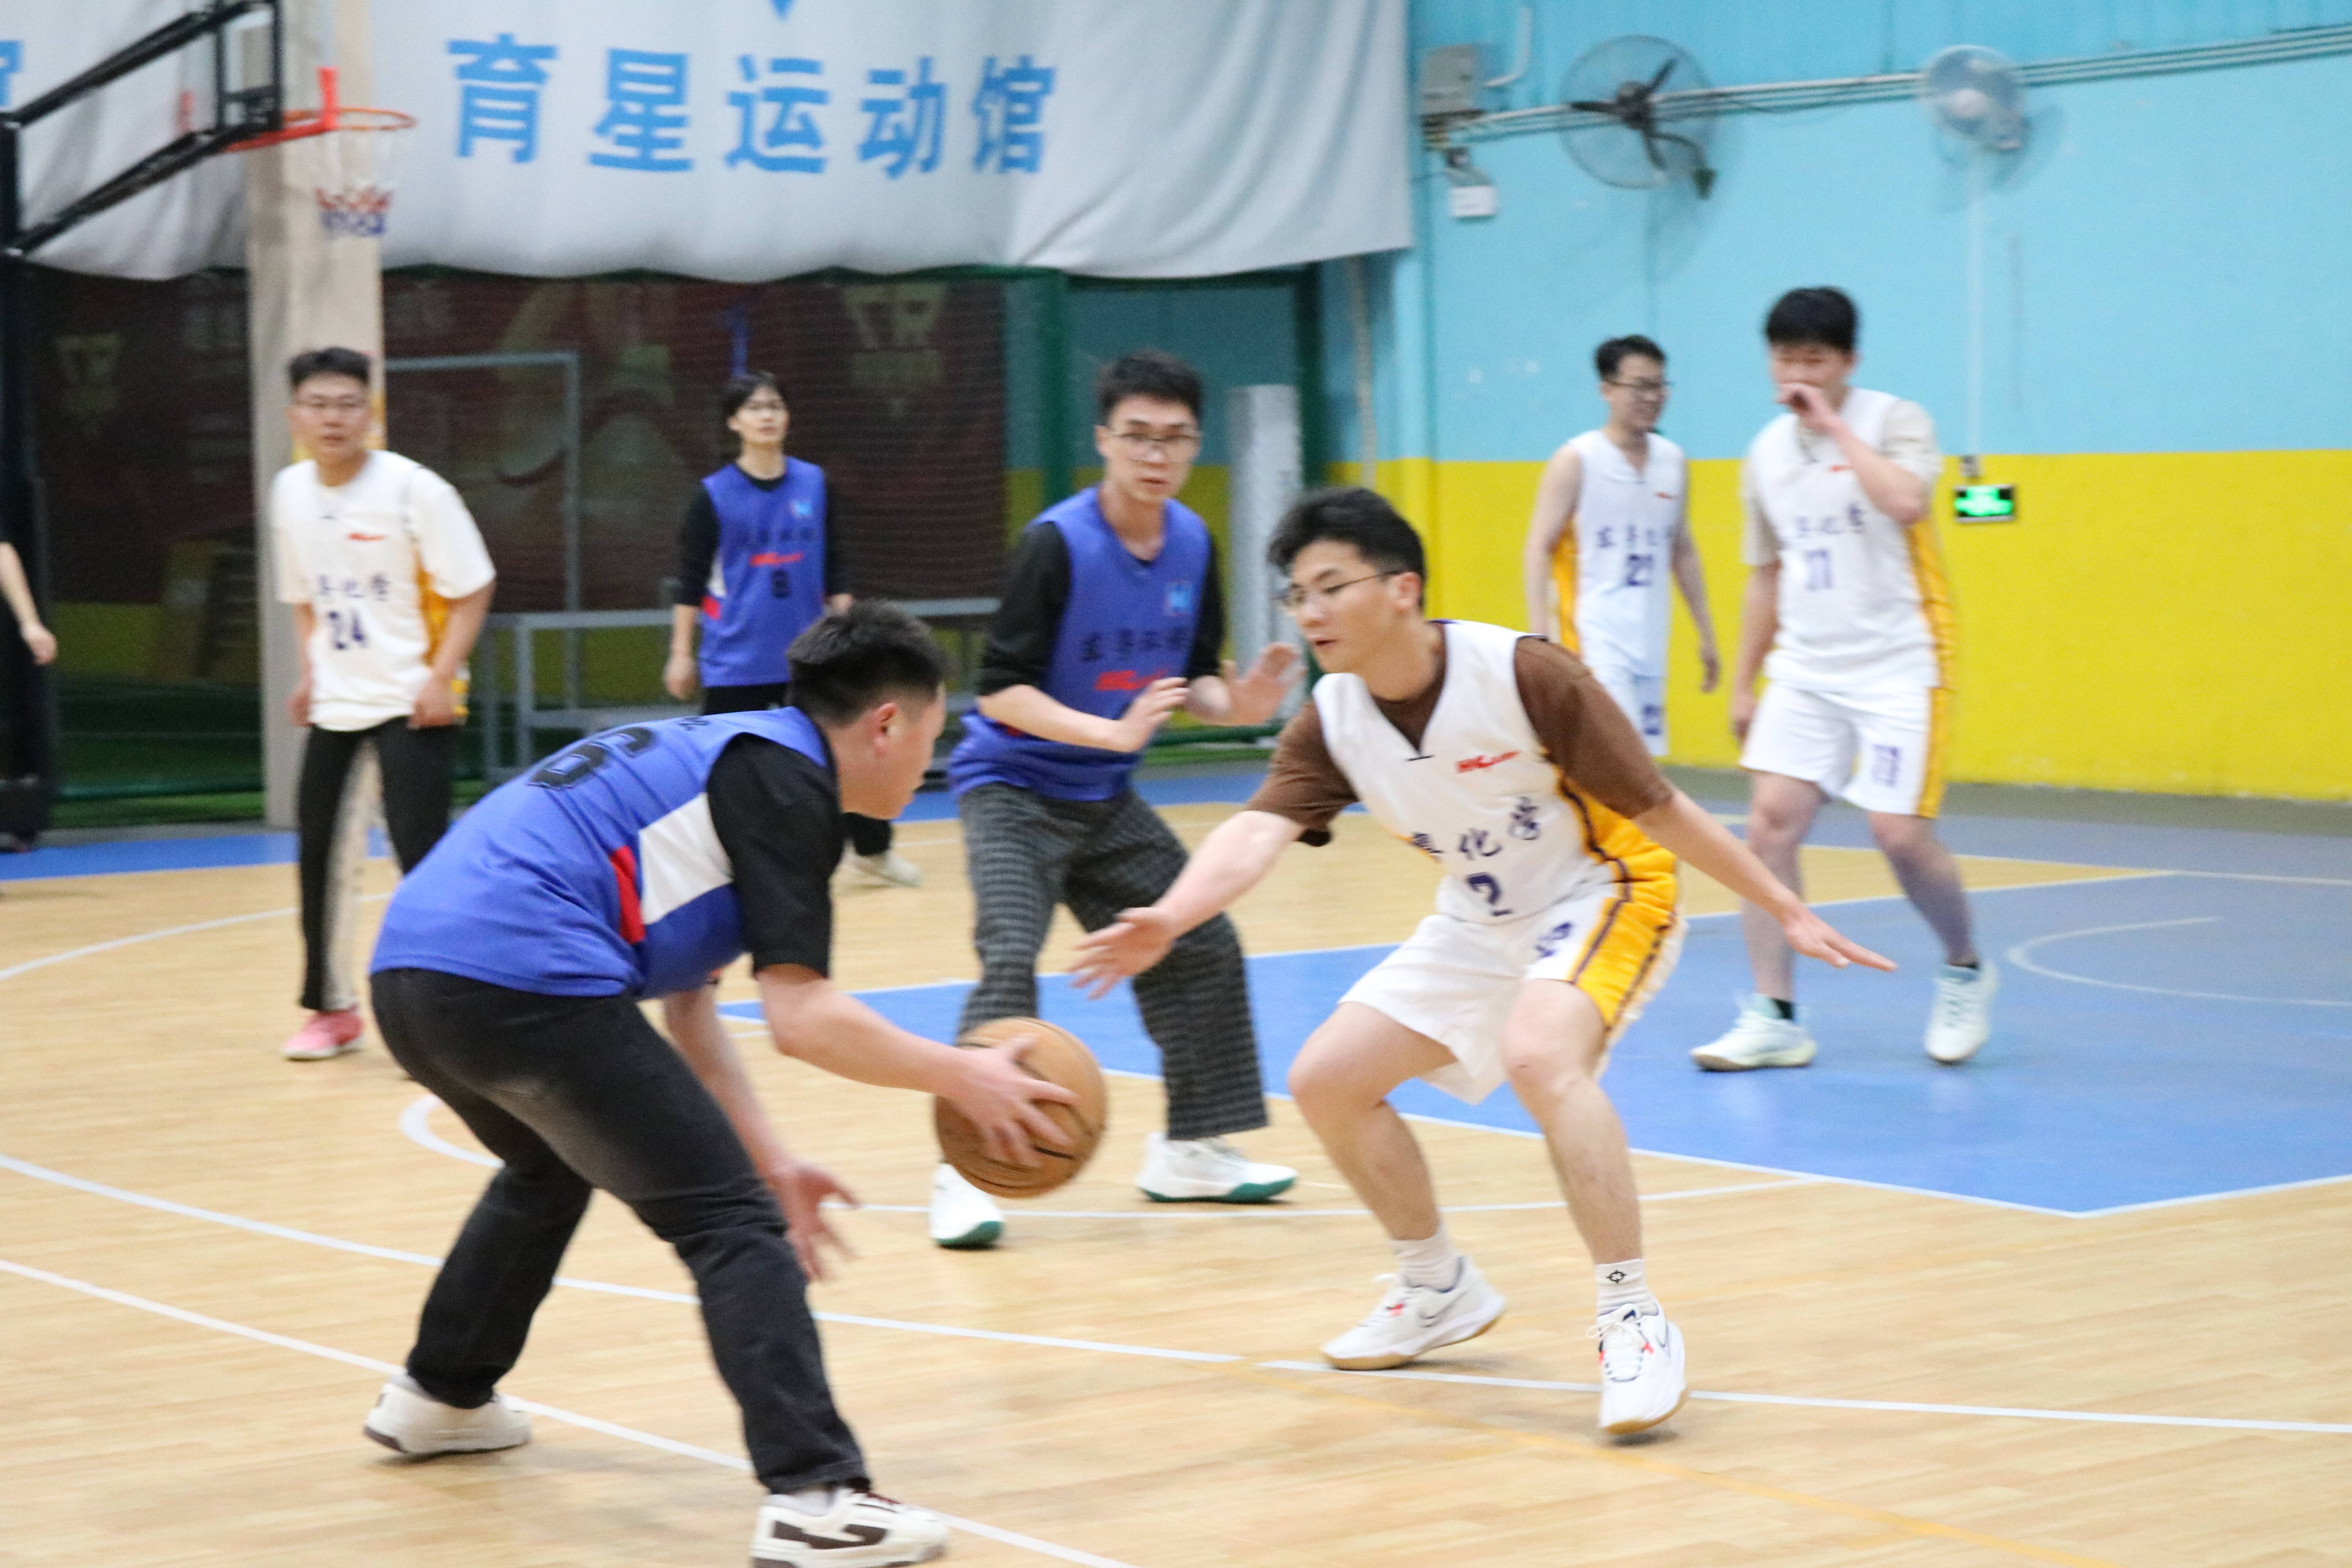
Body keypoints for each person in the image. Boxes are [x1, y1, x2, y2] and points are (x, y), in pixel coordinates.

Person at [1072, 488, 1891, 1436]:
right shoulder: (1333, 718)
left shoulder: (1525, 675)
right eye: (1298, 594)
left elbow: (1661, 808)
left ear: (1402, 588)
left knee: (1541, 1055)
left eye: (1331, 586)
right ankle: (1437, 1287)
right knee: (1328, 1080)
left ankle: (1632, 1316)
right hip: (1479, 915)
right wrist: (1172, 915)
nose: (1311, 611)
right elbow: (1257, 832)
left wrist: (1782, 902)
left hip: (1604, 889)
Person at [365, 602, 1072, 1568]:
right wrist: (962, 1073)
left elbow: (692, 1011)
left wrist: (772, 1160)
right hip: (521, 971)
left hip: (414, 978)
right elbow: (803, 1018)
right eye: (932, 733)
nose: (930, 761)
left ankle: (440, 1394)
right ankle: (817, 1497)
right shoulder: (787, 782)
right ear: (886, 723)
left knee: (550, 1166)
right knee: (730, 1224)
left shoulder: (729, 758)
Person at [931, 348, 1301, 1250]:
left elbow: (1191, 679)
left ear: (1196, 445)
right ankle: (963, 1167)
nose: (1156, 454)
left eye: (1175, 438)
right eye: (1138, 435)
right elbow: (1002, 692)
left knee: (1200, 938)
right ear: (1104, 439)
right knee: (1010, 951)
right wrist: (1109, 732)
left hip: (1101, 792)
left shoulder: (1193, 543)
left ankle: (1189, 1149)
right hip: (1013, 786)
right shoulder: (1055, 544)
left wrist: (1239, 705)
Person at [1694, 286, 1994, 1071]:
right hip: (1807, 668)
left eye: (1816, 361)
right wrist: (1745, 683)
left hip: (1901, 661)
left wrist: (1833, 426)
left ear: (1849, 362)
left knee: (1898, 834)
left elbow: (1907, 501)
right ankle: (1776, 1014)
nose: (1798, 374)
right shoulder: (1763, 453)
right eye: (1785, 359)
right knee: (1768, 827)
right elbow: (1766, 575)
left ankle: (1964, 966)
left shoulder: (1896, 420)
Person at [270, 347, 496, 1062]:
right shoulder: (290, 493)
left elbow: (473, 589)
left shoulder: (414, 490)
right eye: (318, 404)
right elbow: (305, 599)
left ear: (371, 413)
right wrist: (311, 672)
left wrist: (441, 678)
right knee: (320, 860)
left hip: (411, 702)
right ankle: (331, 1009)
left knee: (421, 863)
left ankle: (446, 1018)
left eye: (347, 404)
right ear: (294, 416)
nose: (333, 418)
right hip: (337, 705)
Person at [665, 372, 922, 890]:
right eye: (755, 407)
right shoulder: (713, 496)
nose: (767, 415)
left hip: (811, 656)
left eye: (776, 406)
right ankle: (716, 866)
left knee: (847, 751)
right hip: (737, 658)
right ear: (734, 422)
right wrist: (680, 653)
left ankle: (873, 853)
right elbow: (691, 582)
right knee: (725, 771)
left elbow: (836, 564)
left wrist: (846, 626)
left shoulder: (814, 484)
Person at [1520, 334, 1719, 753]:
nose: (1652, 397)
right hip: (1593, 634)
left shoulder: (1673, 461)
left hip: (1649, 638)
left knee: (1639, 760)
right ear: (1607, 390)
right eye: (1640, 386)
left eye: (1659, 385)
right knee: (1614, 753)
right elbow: (1539, 546)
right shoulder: (1577, 460)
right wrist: (1539, 635)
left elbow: (1681, 548)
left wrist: (1706, 632)